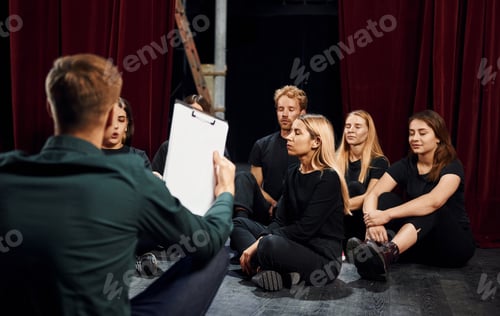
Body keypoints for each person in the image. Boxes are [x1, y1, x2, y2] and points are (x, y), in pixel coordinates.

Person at [0, 53, 236, 315]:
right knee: (216, 252)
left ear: (49, 106)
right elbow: (209, 239)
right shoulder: (132, 178)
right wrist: (225, 191)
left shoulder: (7, 173)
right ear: (112, 115)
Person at [348, 110, 476, 281]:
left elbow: (434, 201)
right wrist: (373, 222)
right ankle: (372, 250)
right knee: (385, 198)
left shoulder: (452, 165)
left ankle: (387, 254)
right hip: (421, 244)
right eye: (411, 133)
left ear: (438, 137)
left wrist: (386, 215)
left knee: (432, 208)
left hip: (453, 246)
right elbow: (374, 193)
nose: (415, 138)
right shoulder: (407, 164)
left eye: (422, 133)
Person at [230, 114, 350, 291]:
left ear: (316, 142)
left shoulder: (328, 179)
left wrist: (260, 242)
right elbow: (280, 220)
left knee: (268, 244)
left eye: (297, 133)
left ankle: (263, 266)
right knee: (237, 224)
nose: (289, 137)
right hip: (293, 245)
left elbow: (305, 229)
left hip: (322, 259)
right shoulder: (293, 172)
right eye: (291, 131)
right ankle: (262, 269)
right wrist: (262, 239)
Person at [233, 85, 307, 225]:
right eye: (280, 109)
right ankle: (240, 223)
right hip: (267, 208)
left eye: (291, 109)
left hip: (295, 210)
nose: (284, 114)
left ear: (302, 113)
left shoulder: (307, 146)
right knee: (243, 177)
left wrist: (281, 205)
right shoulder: (262, 145)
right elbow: (254, 185)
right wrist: (273, 203)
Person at [336, 110, 389, 258]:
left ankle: (358, 245)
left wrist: (335, 207)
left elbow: (369, 196)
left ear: (368, 131)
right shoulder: (335, 161)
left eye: (357, 126)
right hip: (338, 220)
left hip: (361, 220)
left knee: (355, 187)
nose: (351, 130)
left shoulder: (379, 162)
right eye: (348, 126)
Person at [151, 94, 229, 174]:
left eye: (199, 113)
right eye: (191, 113)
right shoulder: (168, 147)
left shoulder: (218, 150)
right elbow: (154, 178)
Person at [102, 97, 152, 170]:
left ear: (126, 125)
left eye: (121, 120)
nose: (116, 126)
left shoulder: (139, 157)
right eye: (110, 120)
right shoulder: (87, 155)